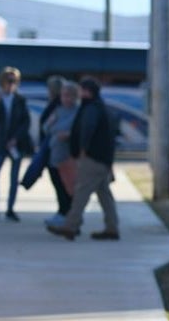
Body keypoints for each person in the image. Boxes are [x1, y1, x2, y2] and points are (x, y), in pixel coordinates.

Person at [45, 77, 119, 241]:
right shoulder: (101, 108)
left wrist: (82, 150)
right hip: (103, 159)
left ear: (87, 91)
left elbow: (87, 129)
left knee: (81, 193)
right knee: (104, 195)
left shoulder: (91, 109)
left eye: (81, 90)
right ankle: (112, 228)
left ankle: (70, 226)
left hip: (92, 158)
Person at [0, 66, 33, 222]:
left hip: (15, 144)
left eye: (14, 81)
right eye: (9, 81)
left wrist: (16, 138)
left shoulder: (20, 100)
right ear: (2, 81)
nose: (11, 84)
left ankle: (10, 209)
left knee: (14, 178)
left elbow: (25, 122)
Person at [38, 75, 71, 226]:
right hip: (53, 149)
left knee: (61, 183)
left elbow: (49, 128)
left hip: (58, 152)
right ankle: (63, 211)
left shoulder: (59, 107)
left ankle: (64, 212)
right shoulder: (55, 105)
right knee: (59, 182)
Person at [43, 81, 80, 214]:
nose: (66, 99)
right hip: (55, 155)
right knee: (57, 185)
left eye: (69, 96)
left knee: (69, 187)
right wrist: (52, 125)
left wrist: (67, 134)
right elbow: (46, 128)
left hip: (69, 157)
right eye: (64, 95)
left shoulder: (78, 112)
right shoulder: (58, 111)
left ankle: (70, 214)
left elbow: (76, 131)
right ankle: (62, 211)